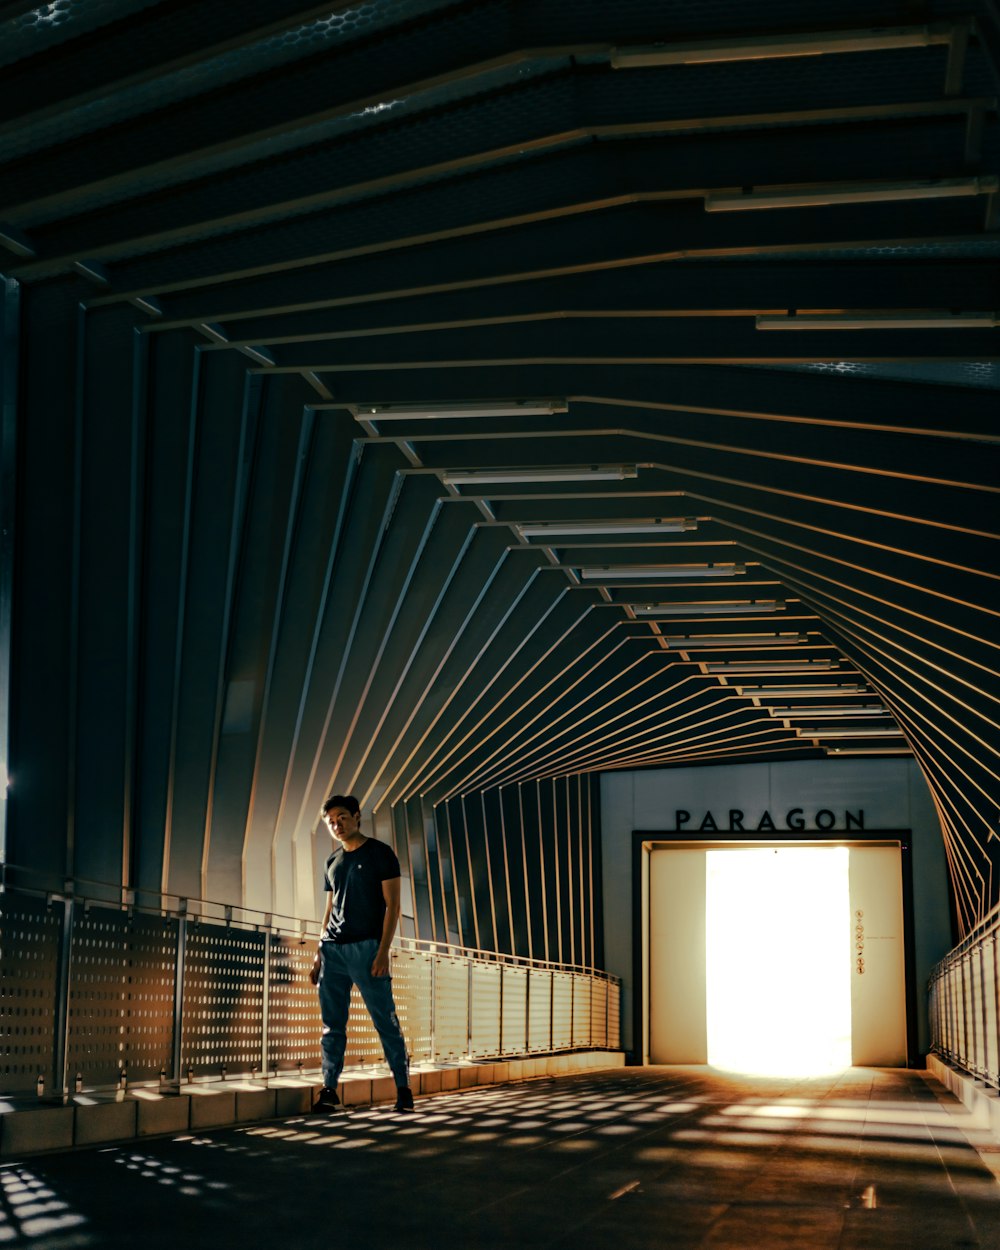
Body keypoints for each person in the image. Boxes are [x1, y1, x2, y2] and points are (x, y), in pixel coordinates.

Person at [309, 794, 413, 1112]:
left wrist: (383, 952)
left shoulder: (381, 853)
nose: (336, 824)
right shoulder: (332, 862)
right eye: (330, 821)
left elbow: (393, 906)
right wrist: (318, 952)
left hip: (367, 949)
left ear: (356, 816)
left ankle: (403, 1089)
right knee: (332, 1025)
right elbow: (329, 909)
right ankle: (329, 1090)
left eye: (341, 817)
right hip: (332, 952)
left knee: (385, 1020)